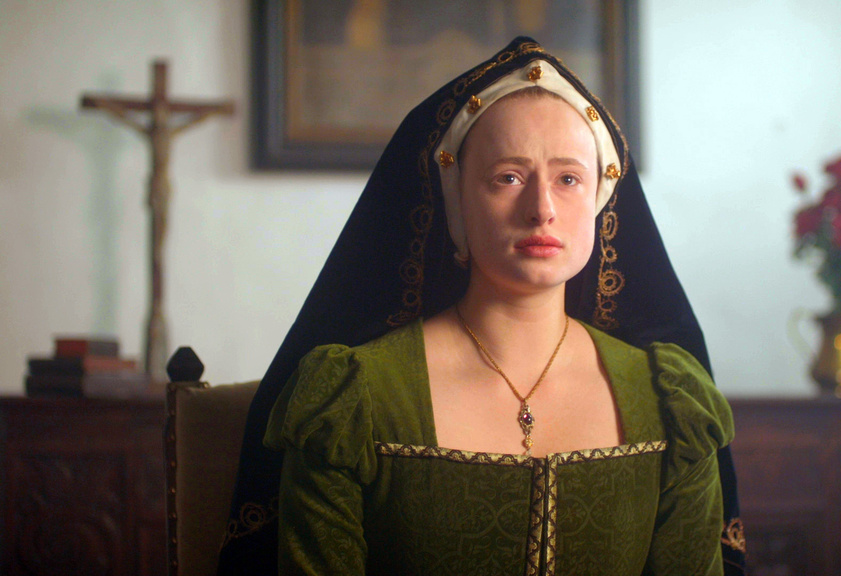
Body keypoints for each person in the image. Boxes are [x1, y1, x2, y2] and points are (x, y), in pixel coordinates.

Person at [218, 37, 746, 575]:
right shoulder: (354, 399)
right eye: (508, 177)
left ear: (599, 203)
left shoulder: (669, 402)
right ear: (457, 204)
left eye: (568, 179)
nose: (541, 209)